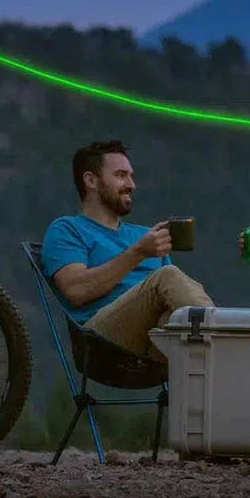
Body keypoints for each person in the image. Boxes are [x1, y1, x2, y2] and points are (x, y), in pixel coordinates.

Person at [42, 139, 214, 362]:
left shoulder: (144, 235)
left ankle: (228, 354)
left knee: (186, 318)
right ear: (91, 180)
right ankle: (229, 349)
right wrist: (138, 252)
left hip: (154, 338)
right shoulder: (67, 229)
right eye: (121, 175)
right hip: (102, 340)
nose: (131, 185)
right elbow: (76, 291)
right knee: (167, 276)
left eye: (131, 176)